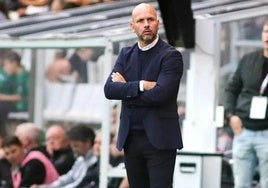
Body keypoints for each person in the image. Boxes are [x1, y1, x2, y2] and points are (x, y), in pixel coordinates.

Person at [104, 3, 184, 188]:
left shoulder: (171, 56)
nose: (146, 24)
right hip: (131, 139)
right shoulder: (125, 54)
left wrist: (126, 90)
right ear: (133, 26)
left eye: (150, 19)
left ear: (158, 23)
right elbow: (109, 90)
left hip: (160, 140)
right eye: (141, 21)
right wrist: (141, 85)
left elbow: (161, 95)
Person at [224, 19, 268, 188]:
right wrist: (231, 115)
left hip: (267, 132)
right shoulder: (248, 60)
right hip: (244, 130)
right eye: (265, 31)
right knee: (241, 184)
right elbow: (231, 89)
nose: (267, 36)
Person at [34, 124, 99, 188]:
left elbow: (79, 184)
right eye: (72, 146)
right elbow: (69, 177)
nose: (74, 149)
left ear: (88, 143)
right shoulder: (80, 159)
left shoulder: (94, 162)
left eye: (76, 146)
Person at [0, 50, 29, 137]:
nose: (4, 68)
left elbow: (20, 97)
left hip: (20, 107)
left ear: (14, 63)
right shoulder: (9, 76)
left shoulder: (23, 77)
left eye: (6, 65)